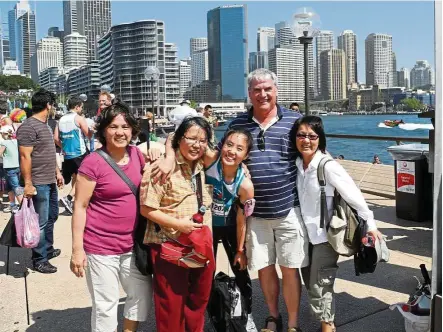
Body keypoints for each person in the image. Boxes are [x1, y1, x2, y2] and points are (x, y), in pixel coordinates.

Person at [152, 69, 308, 332]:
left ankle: (275, 320)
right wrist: (168, 155)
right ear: (249, 94)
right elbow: (192, 143)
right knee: (240, 270)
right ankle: (249, 317)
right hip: (230, 220)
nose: (263, 94)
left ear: (276, 90)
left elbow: (313, 150)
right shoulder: (237, 126)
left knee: (275, 269)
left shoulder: (294, 121)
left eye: (267, 89)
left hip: (280, 210)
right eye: (257, 90)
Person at [291, 115, 383, 332]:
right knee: (309, 280)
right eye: (301, 135)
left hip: (325, 236)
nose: (306, 140)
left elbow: (354, 194)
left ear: (320, 139)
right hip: (303, 235)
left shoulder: (327, 166)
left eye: (312, 136)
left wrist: (370, 223)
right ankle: (325, 318)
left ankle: (328, 325)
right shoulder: (296, 164)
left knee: (320, 282)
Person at [70, 99, 152, 332]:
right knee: (105, 304)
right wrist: (77, 250)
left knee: (140, 296)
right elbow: (80, 207)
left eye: (125, 127)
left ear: (133, 130)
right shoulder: (93, 162)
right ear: (104, 130)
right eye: (114, 127)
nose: (120, 132)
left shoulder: (137, 155)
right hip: (100, 246)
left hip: (133, 244)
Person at [140, 116, 214, 332]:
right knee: (171, 307)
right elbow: (146, 208)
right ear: (180, 138)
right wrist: (178, 225)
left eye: (202, 141)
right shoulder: (162, 167)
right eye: (191, 138)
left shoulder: (202, 165)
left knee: (197, 303)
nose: (197, 145)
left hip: (199, 244)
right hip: (169, 244)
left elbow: (228, 155)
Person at [204, 128, 257, 331]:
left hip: (229, 226)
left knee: (240, 271)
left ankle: (247, 314)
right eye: (229, 144)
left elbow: (242, 219)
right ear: (222, 144)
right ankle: (211, 314)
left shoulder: (245, 185)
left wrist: (240, 251)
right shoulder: (210, 161)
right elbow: (180, 139)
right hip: (207, 227)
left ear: (246, 155)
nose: (232, 151)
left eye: (239, 148)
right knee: (205, 273)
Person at [16, 89, 63, 274]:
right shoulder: (29, 126)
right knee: (41, 222)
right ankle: (39, 259)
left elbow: (49, 153)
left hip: (50, 180)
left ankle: (47, 250)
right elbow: (24, 157)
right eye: (53, 105)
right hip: (38, 182)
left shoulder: (45, 125)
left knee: (52, 216)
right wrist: (28, 184)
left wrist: (57, 172)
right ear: (48, 105)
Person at [54, 96, 93, 214]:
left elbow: (55, 138)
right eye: (81, 107)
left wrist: (64, 147)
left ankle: (73, 201)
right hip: (79, 152)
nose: (82, 109)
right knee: (84, 177)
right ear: (77, 107)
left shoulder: (60, 120)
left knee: (75, 177)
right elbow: (88, 134)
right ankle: (69, 197)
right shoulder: (79, 118)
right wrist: (93, 131)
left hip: (67, 154)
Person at [0, 125, 23, 213]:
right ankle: (13, 205)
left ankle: (23, 207)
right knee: (11, 187)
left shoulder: (4, 143)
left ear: (4, 133)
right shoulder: (16, 141)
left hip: (9, 168)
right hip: (17, 167)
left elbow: (0, 153)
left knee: (15, 187)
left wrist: (4, 156)